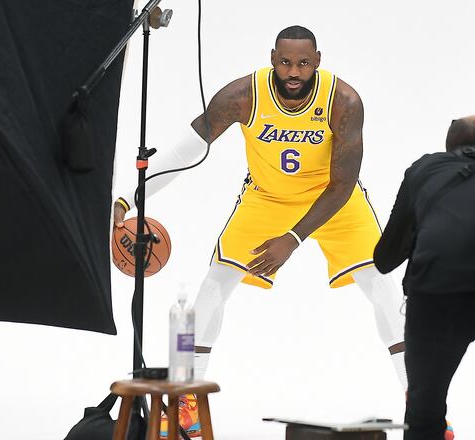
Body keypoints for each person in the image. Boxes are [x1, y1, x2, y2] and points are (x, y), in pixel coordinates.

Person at [113, 26, 408, 439]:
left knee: (382, 285)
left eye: (303, 63)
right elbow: (186, 150)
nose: (294, 71)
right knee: (214, 285)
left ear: (317, 61)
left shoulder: (343, 101)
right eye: (285, 62)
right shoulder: (243, 96)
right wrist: (127, 198)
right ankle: (186, 407)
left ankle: (423, 402)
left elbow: (342, 185)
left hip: (333, 199)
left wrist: (294, 238)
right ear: (272, 59)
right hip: (267, 198)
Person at [373, 116, 475, 440]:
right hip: (441, 289)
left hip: (437, 293)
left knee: (424, 409)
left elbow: (385, 258)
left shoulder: (425, 170)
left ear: (449, 146)